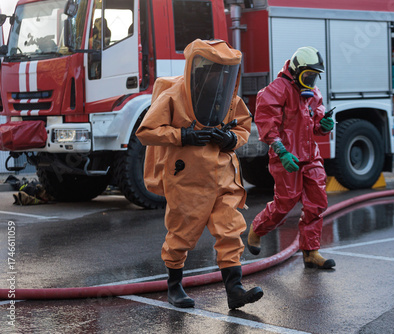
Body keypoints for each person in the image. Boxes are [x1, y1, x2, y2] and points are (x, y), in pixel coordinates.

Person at [136, 39, 263, 309]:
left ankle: (235, 290)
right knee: (181, 234)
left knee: (230, 230)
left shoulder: (229, 98)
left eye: (222, 71)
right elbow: (146, 132)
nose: (218, 76)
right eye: (213, 69)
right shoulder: (173, 96)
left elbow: (242, 127)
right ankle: (174, 287)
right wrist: (183, 135)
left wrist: (229, 139)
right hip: (188, 179)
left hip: (224, 178)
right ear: (198, 67)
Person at [247, 46, 336, 269]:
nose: (312, 80)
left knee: (317, 203)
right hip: (285, 156)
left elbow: (315, 126)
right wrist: (281, 151)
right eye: (308, 75)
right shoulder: (276, 90)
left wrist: (324, 126)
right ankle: (257, 229)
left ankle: (311, 252)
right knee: (285, 204)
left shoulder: (313, 94)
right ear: (296, 71)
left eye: (314, 76)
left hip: (310, 156)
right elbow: (268, 125)